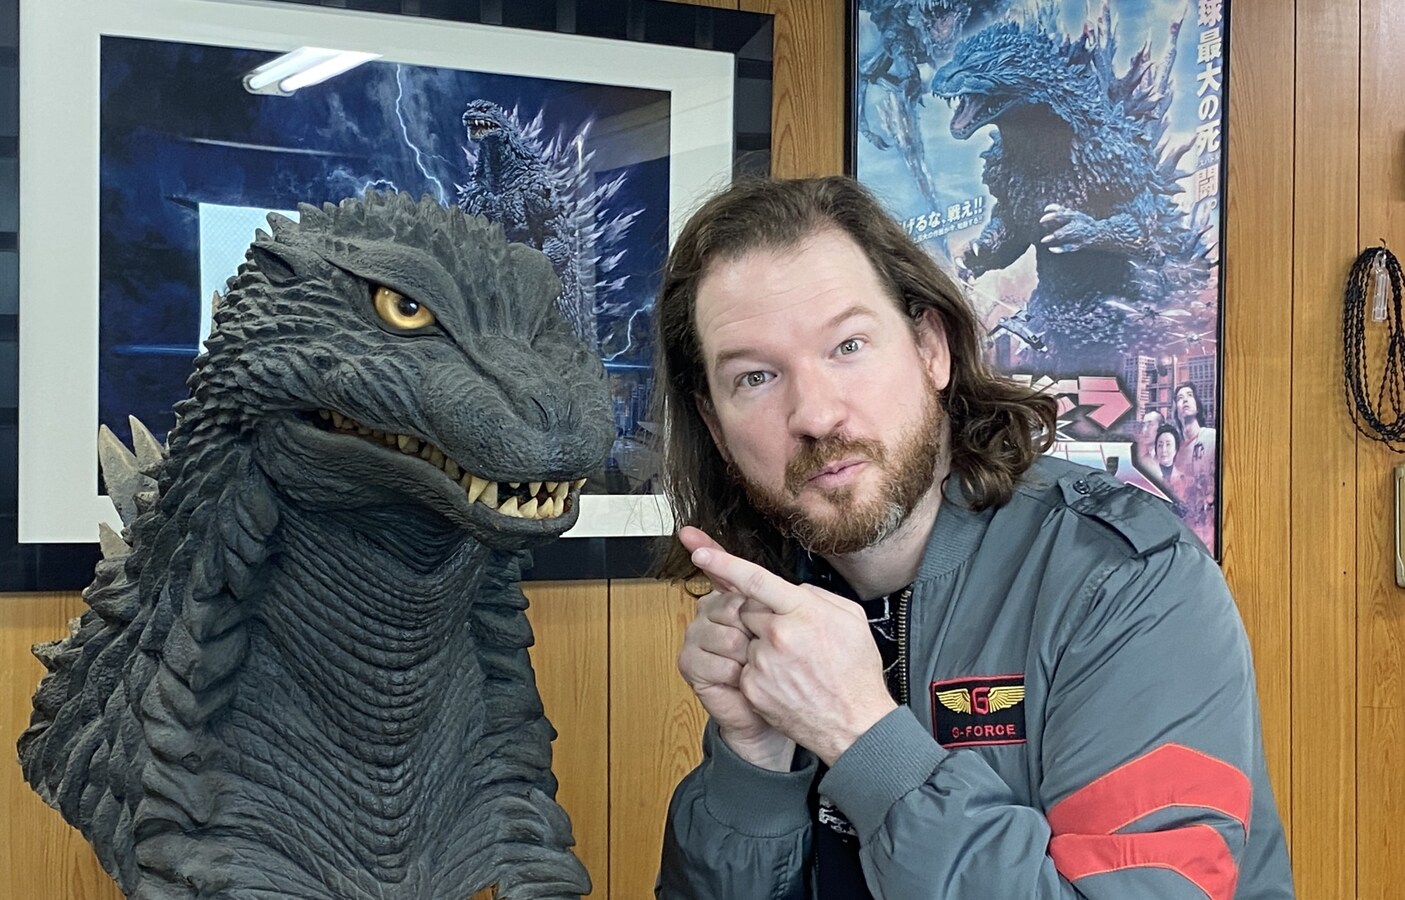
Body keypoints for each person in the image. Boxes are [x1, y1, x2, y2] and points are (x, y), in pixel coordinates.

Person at [650, 176, 1293, 898]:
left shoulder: (1123, 583)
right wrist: (753, 764)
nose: (816, 414)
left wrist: (861, 737)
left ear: (931, 348)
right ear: (716, 426)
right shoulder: (774, 602)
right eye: (756, 377)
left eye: (848, 345)